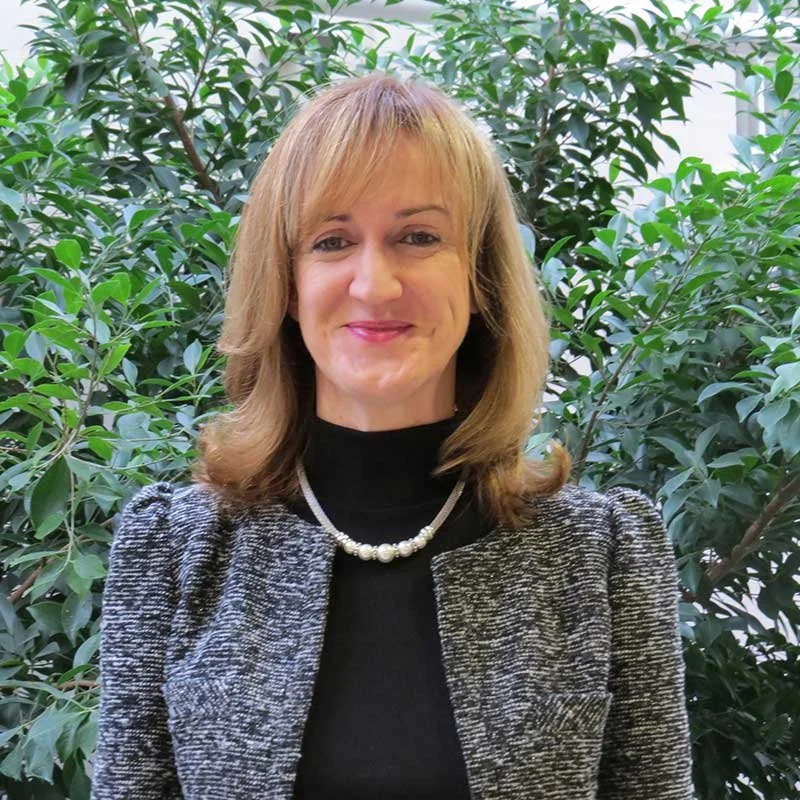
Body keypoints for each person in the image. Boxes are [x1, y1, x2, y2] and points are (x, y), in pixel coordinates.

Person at [90, 72, 693, 800]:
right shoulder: (176, 549)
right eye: (332, 240)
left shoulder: (601, 553)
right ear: (284, 280)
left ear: (479, 276)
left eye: (418, 236)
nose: (374, 284)